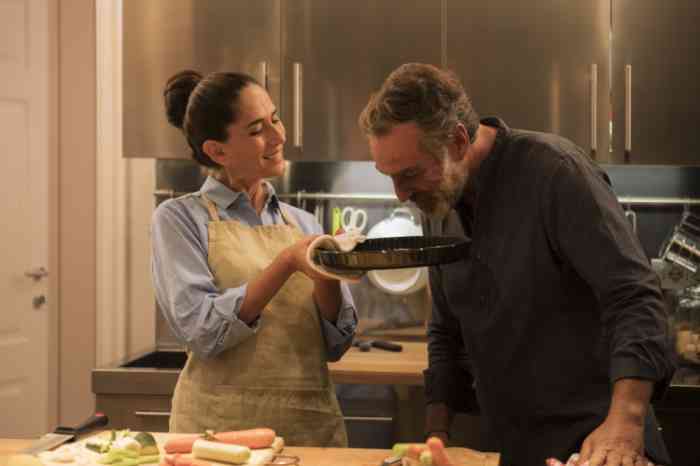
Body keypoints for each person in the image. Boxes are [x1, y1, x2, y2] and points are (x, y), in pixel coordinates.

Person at [358, 63, 676, 466]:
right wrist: (435, 437)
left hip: (599, 442)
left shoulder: (555, 172)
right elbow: (446, 328)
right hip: (512, 444)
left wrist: (625, 423)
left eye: (409, 174)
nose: (401, 194)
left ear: (457, 140)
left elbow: (635, 297)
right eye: (390, 177)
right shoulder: (437, 197)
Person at [152, 70, 357, 446]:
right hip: (218, 435)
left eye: (276, 118)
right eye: (257, 129)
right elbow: (204, 333)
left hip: (309, 432)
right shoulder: (180, 219)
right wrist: (287, 263)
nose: (279, 136)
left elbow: (337, 345)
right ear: (217, 151)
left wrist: (328, 270)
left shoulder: (304, 222)